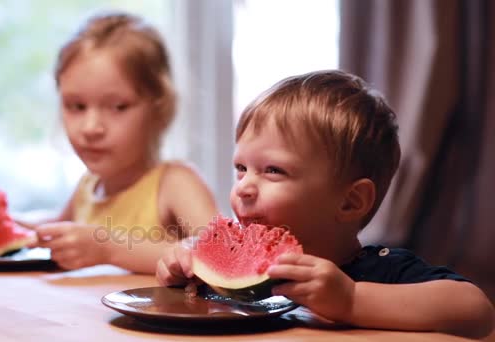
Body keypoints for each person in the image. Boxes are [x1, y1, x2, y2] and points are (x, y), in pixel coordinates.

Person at [156, 70, 494, 338]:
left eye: (273, 171)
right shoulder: (240, 283)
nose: (244, 187)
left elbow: (476, 310)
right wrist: (185, 270)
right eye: (241, 169)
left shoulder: (381, 271)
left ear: (350, 202)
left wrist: (351, 299)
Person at [0, 11, 218, 274]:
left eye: (118, 107)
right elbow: (55, 234)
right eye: (77, 106)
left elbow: (217, 255)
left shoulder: (175, 183)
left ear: (158, 107)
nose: (91, 128)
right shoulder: (89, 185)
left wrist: (108, 248)